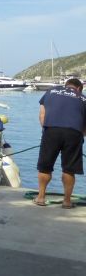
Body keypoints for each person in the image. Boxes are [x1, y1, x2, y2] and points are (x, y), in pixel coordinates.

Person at [34, 78, 86, 209]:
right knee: (69, 168)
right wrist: (80, 136)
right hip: (74, 132)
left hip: (51, 129)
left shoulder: (51, 91)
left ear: (66, 86)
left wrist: (47, 132)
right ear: (79, 88)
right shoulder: (83, 98)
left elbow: (42, 115)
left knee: (45, 166)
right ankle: (67, 201)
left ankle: (40, 197)